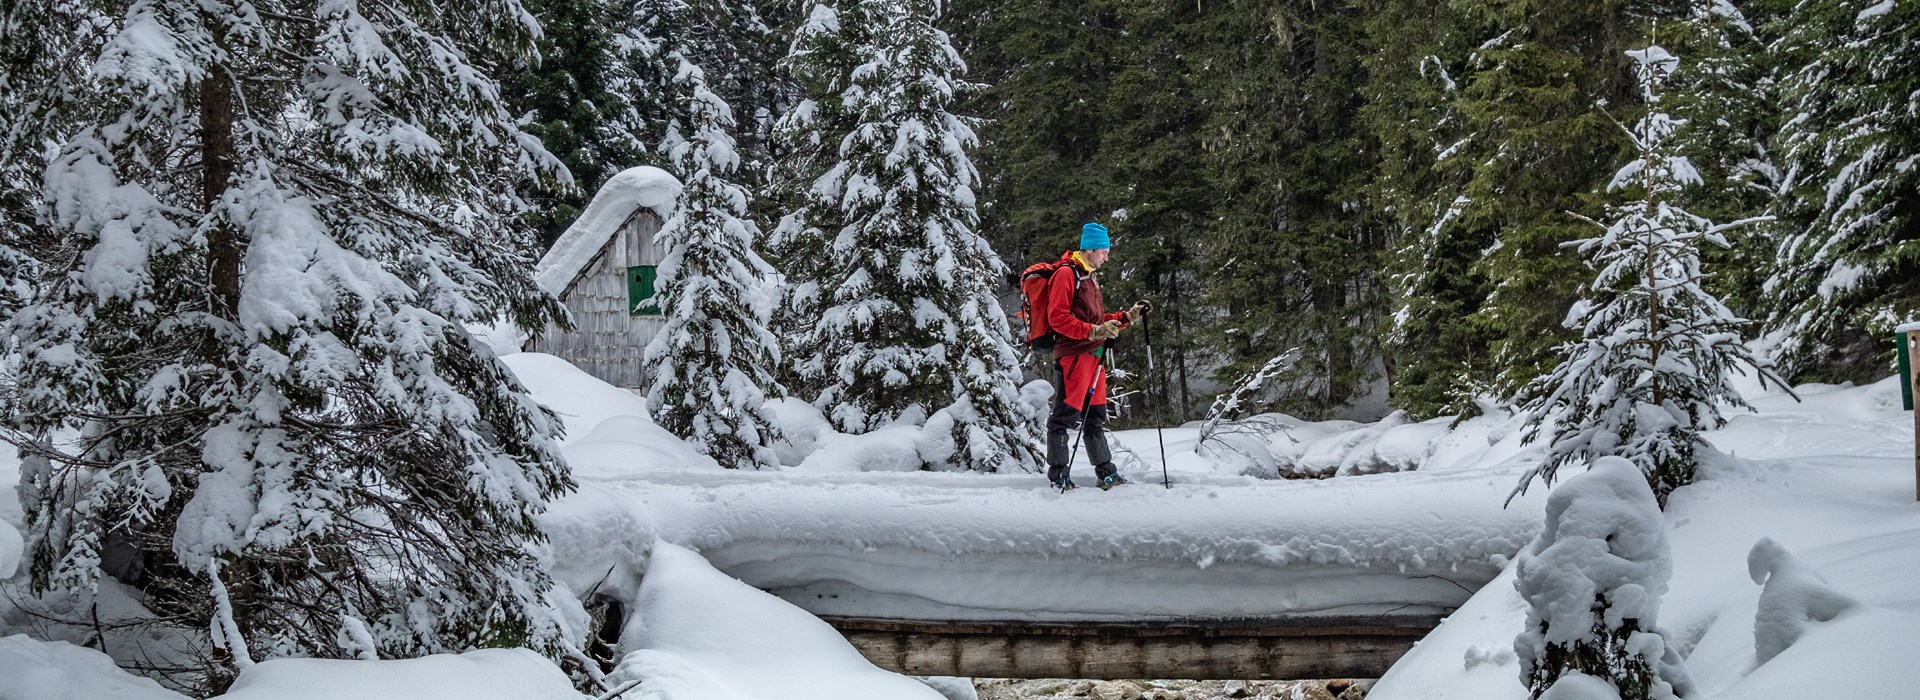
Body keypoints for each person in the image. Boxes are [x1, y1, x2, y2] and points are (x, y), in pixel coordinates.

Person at [1044, 222, 1150, 491]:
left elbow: (1096, 320)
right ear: (1090, 248)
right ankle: (1059, 476)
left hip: (1094, 357)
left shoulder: (1088, 276)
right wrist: (1094, 331)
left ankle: (1106, 472)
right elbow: (1057, 318)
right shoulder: (1067, 275)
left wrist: (1126, 318)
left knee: (1095, 417)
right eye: (1104, 251)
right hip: (1074, 357)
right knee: (1063, 417)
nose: (1107, 257)